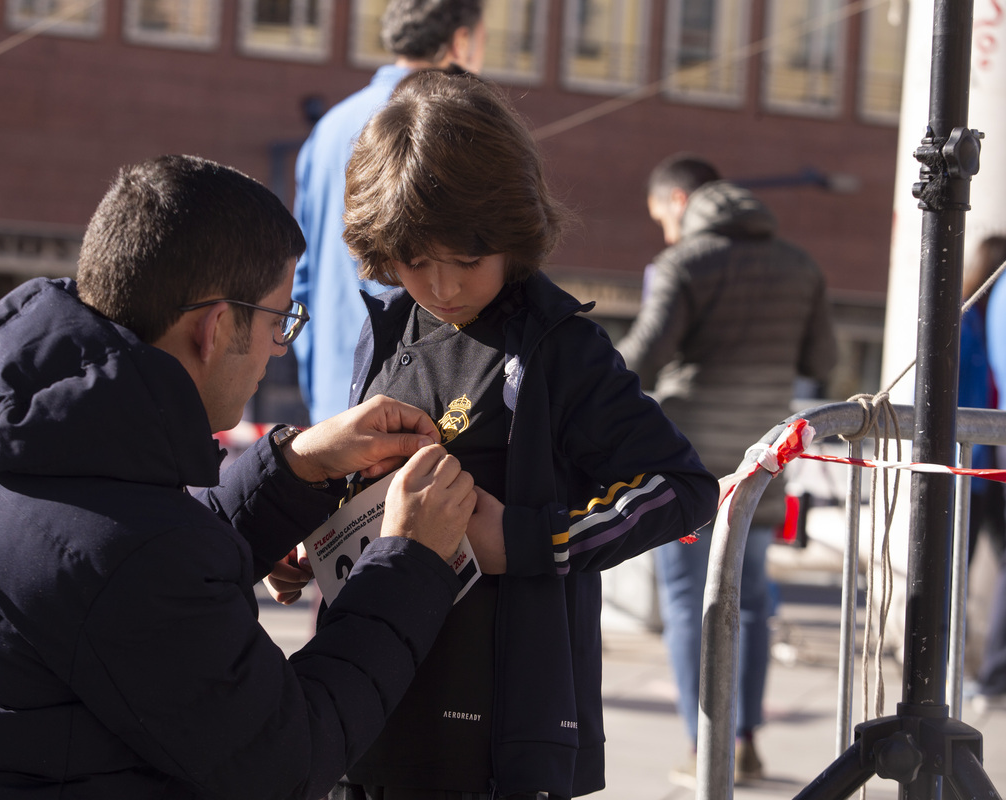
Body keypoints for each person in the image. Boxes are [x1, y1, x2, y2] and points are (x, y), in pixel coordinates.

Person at [0, 154, 486, 799]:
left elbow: (107, 579)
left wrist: (291, 467)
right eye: (278, 321)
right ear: (212, 329)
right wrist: (408, 561)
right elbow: (286, 758)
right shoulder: (124, 551)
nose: (277, 347)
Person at [325, 69, 718, 800]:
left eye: (467, 261)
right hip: (372, 704)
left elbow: (684, 489)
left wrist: (534, 542)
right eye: (415, 262)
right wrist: (314, 535)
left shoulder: (559, 349)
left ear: (513, 232)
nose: (442, 286)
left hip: (498, 727)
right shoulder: (383, 331)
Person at [616, 154, 837, 786]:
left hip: (691, 466)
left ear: (680, 202)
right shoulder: (800, 266)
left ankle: (702, 744)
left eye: (661, 216)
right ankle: (744, 740)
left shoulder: (685, 264)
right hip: (765, 460)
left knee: (691, 602)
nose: (663, 231)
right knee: (754, 599)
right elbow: (822, 354)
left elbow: (643, 359)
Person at [291, 0, 486, 425]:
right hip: (418, 395)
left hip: (332, 390)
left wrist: (318, 382)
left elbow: (299, 273)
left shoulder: (327, 128)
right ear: (462, 41)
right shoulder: (451, 119)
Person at [974, 234, 1006, 709]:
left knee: (947, 565)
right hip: (979, 457)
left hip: (979, 457)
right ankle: (993, 677)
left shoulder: (972, 310)